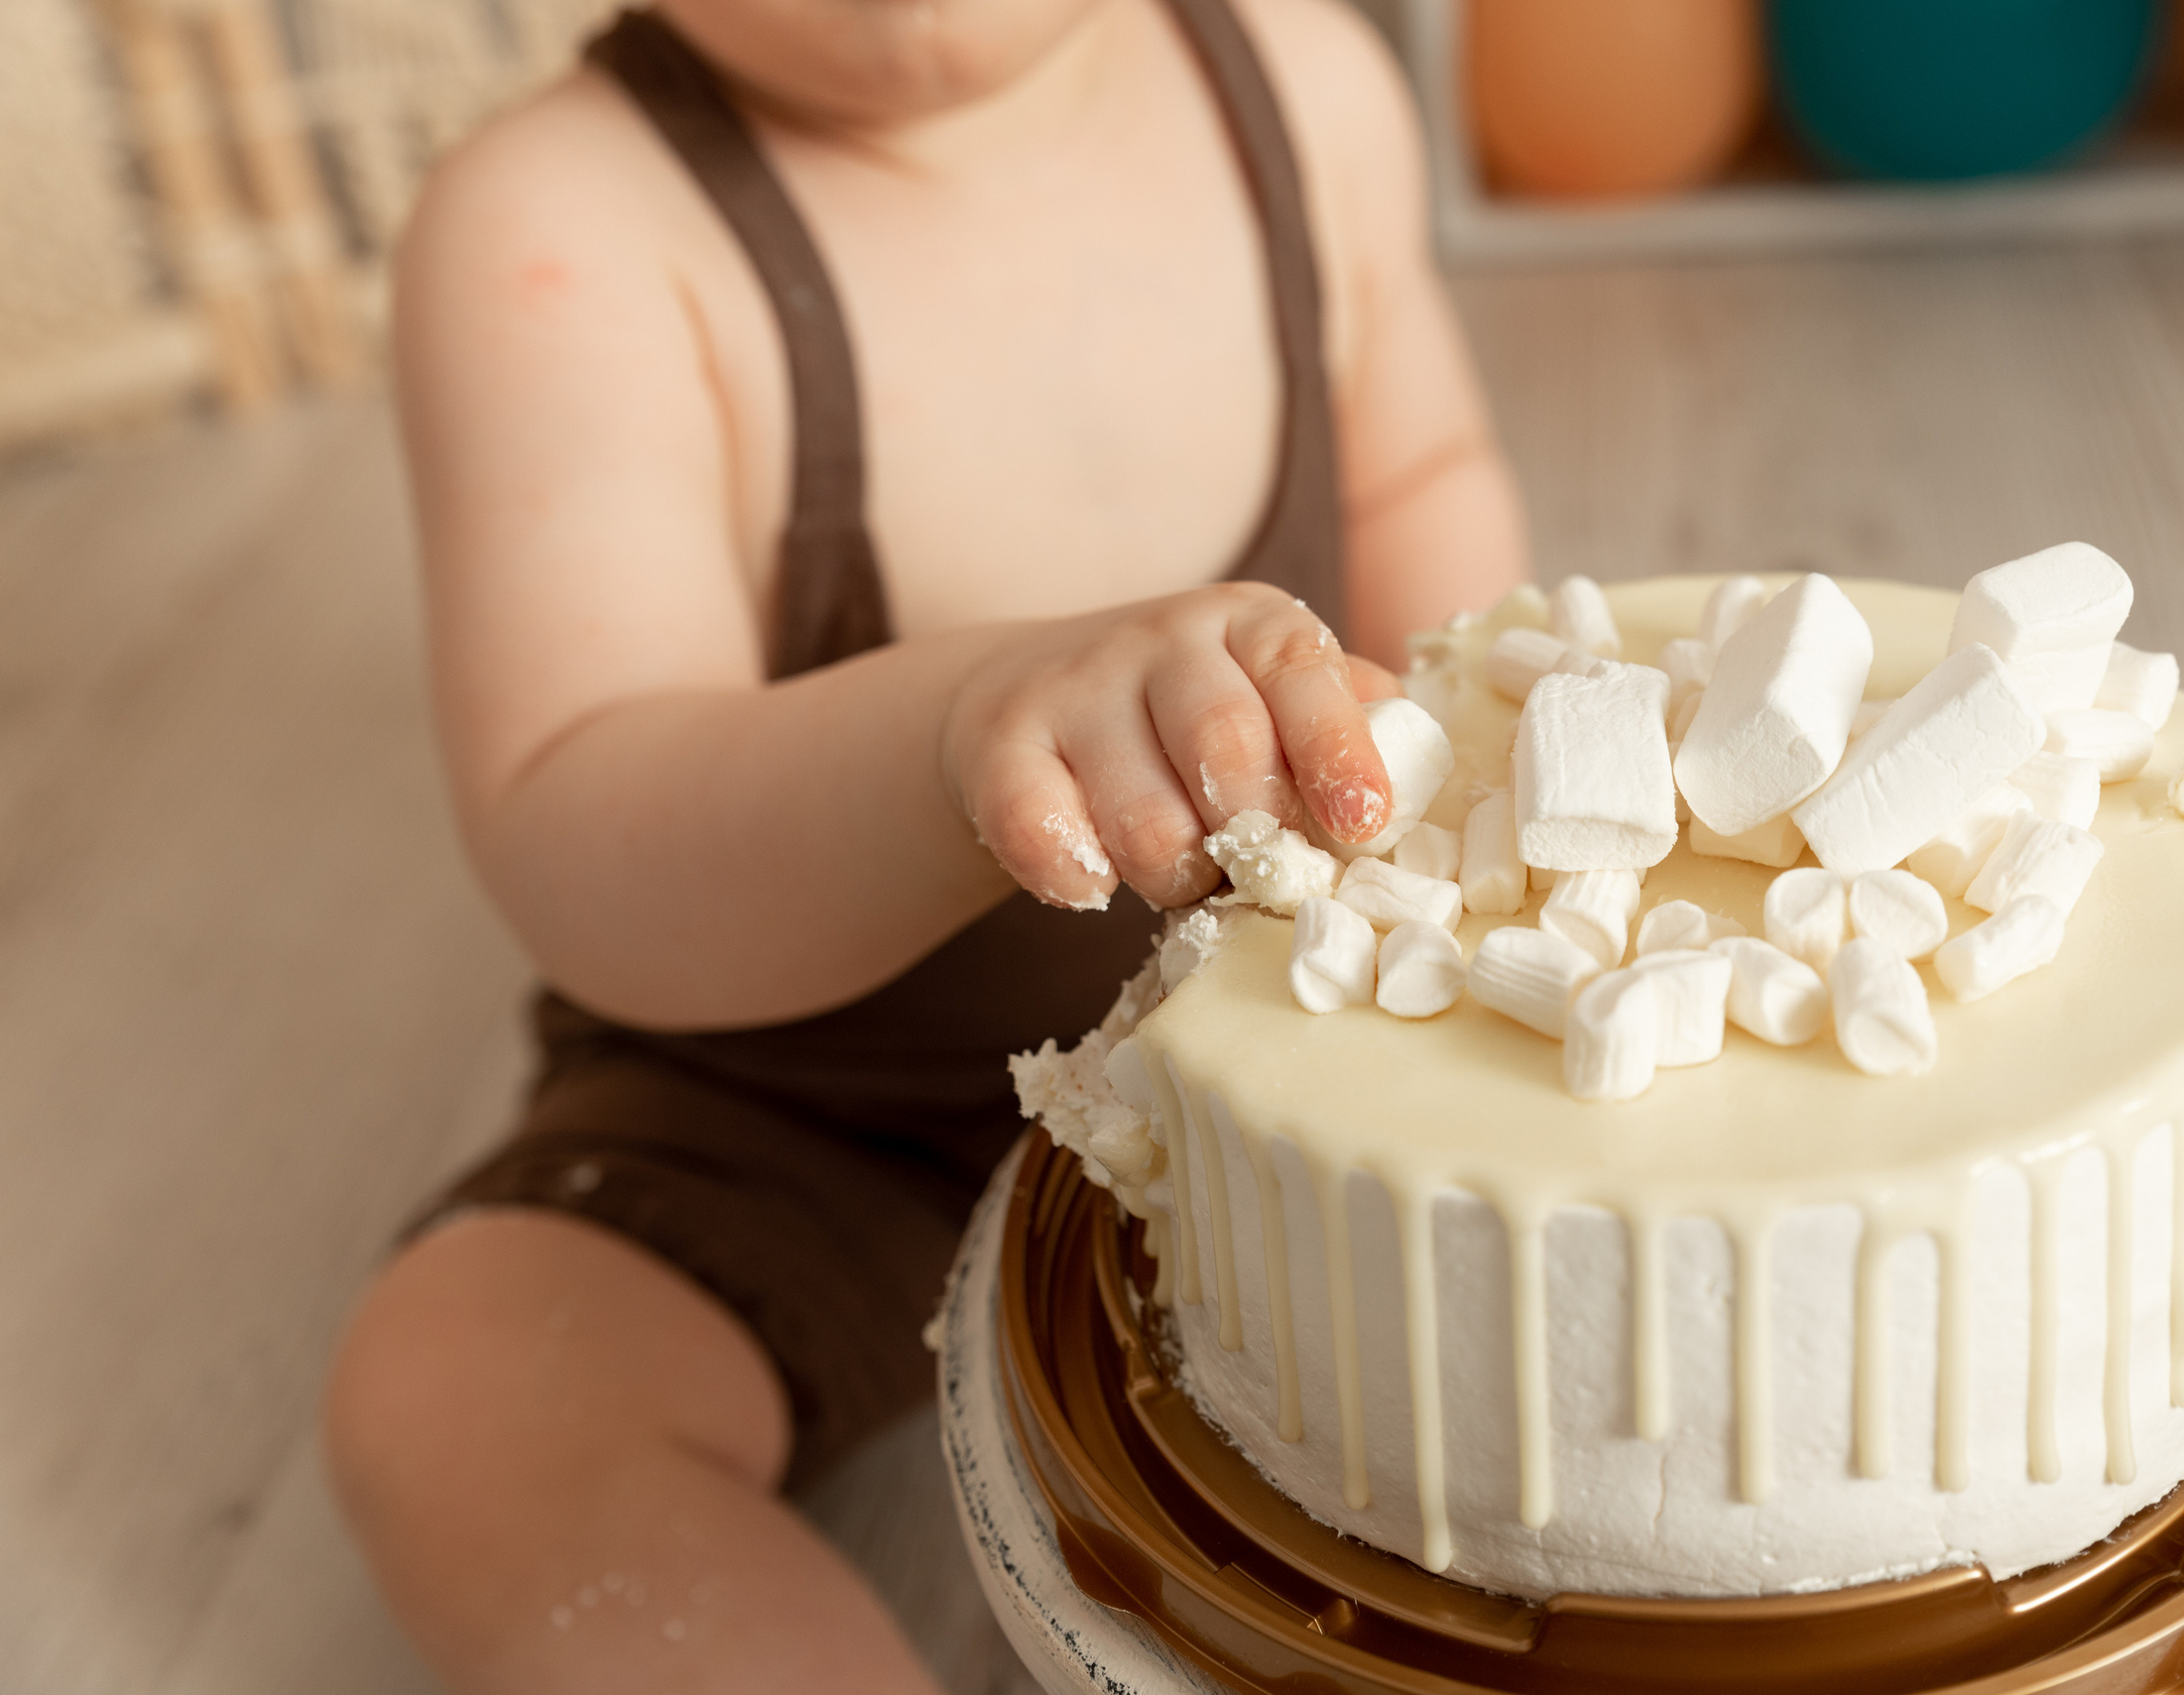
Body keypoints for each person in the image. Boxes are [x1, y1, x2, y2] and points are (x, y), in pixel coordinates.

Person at [318, 0, 1528, 1690]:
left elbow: (1421, 494)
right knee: (465, 1391)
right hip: (820, 1101)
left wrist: (1498, 799)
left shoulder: (1307, 85)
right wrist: (962, 724)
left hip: (1311, 1029)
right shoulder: (567, 231)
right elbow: (583, 834)